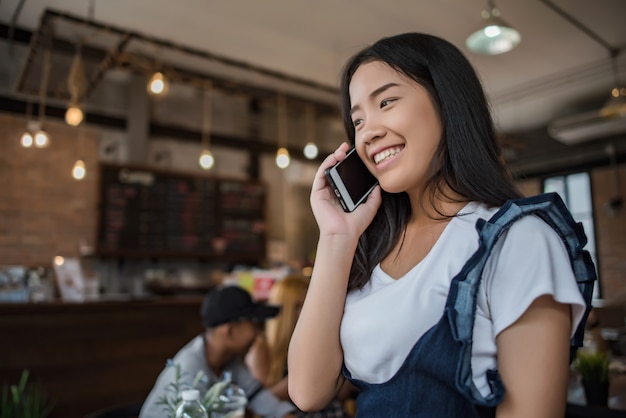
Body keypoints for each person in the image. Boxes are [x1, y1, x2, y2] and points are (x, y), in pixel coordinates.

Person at [287, 32, 596, 418]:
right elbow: (307, 391)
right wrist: (336, 236)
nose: (368, 132)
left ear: (447, 103)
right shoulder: (375, 248)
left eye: (386, 102)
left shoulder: (518, 239)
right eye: (358, 120)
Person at [140, 285, 297, 418]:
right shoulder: (189, 372)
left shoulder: (230, 361)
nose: (258, 333)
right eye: (253, 324)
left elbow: (261, 399)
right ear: (229, 331)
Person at [246, 275, 355, 417]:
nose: (306, 312)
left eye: (309, 305)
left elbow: (342, 394)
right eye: (298, 306)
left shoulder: (322, 341)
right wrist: (305, 375)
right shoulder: (262, 348)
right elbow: (261, 402)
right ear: (285, 311)